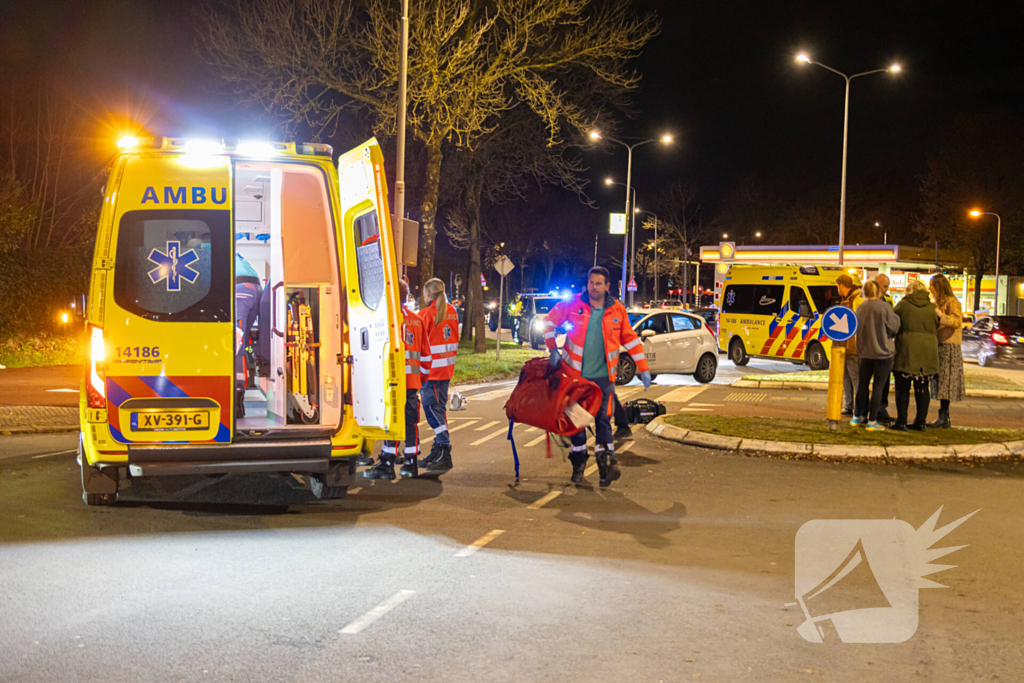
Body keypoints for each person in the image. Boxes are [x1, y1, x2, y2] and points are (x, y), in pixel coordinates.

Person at [542, 267, 651, 487]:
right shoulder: (573, 304)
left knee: (604, 421)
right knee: (578, 423)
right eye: (591, 283)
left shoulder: (617, 310)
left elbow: (629, 339)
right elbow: (548, 321)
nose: (593, 287)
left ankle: (605, 467)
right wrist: (552, 347)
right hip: (575, 378)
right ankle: (579, 463)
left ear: (607, 286)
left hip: (604, 378)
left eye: (598, 283)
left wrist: (644, 368)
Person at [366, 280, 427, 480]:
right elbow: (426, 357)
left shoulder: (387, 319)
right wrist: (421, 378)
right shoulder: (417, 320)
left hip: (392, 382)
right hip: (412, 383)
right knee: (410, 422)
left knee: (390, 421)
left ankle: (386, 462)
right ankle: (411, 463)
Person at [418, 278, 461, 472]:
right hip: (446, 369)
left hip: (431, 371)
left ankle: (444, 447)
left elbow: (419, 345)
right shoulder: (451, 311)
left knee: (431, 409)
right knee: (439, 408)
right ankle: (439, 448)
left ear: (428, 294)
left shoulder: (426, 314)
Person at [852, 281, 900, 431]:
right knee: (878, 388)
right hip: (882, 353)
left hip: (865, 353)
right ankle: (872, 422)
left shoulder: (860, 308)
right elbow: (894, 328)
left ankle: (857, 417)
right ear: (878, 291)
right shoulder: (884, 307)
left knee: (862, 386)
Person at [892, 279, 939, 431]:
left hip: (907, 349)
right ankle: (921, 422)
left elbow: (893, 322)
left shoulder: (903, 305)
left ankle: (902, 421)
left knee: (903, 387)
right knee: (923, 386)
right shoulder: (932, 307)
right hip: (928, 351)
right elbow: (937, 324)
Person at [929, 273, 966, 428]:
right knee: (941, 381)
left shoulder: (952, 302)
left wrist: (942, 316)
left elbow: (957, 322)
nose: (930, 289)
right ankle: (943, 416)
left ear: (939, 287)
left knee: (946, 382)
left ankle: (944, 416)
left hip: (949, 346)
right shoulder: (939, 302)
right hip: (941, 345)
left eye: (932, 287)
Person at [234, 253, 263, 417]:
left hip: (240, 290)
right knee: (242, 345)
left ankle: (237, 401)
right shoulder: (237, 255)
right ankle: (240, 397)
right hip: (255, 288)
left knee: (236, 346)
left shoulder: (206, 248)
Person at [834, 273, 863, 416]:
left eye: (837, 287)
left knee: (855, 377)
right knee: (846, 376)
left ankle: (860, 407)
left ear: (841, 286)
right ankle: (849, 405)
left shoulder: (856, 299)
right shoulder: (848, 299)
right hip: (845, 345)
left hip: (853, 345)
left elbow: (857, 322)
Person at [873, 274, 894, 425]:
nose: (887, 289)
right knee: (879, 381)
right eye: (884, 286)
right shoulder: (869, 301)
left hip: (880, 346)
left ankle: (878, 410)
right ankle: (877, 411)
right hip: (877, 347)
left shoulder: (887, 301)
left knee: (882, 382)